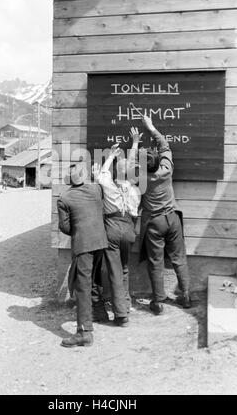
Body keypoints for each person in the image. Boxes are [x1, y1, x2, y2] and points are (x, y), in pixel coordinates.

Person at [130, 115, 192, 315]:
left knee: (155, 261)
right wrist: (151, 128)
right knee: (179, 258)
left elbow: (130, 166)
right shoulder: (166, 169)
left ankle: (158, 301)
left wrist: (135, 143)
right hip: (172, 218)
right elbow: (164, 146)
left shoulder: (140, 177)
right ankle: (186, 295)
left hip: (154, 223)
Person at [93, 131, 143, 327]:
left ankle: (121, 315)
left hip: (112, 228)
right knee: (123, 268)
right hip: (129, 228)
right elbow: (129, 167)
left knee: (114, 271)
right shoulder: (136, 190)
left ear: (116, 171)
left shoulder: (108, 185)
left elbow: (102, 174)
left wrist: (111, 157)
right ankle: (126, 303)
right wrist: (136, 143)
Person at [57, 163, 108, 348]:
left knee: (82, 287)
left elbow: (64, 227)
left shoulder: (64, 198)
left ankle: (84, 332)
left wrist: (78, 231)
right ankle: (101, 313)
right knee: (94, 279)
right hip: (101, 241)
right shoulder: (96, 189)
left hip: (83, 245)